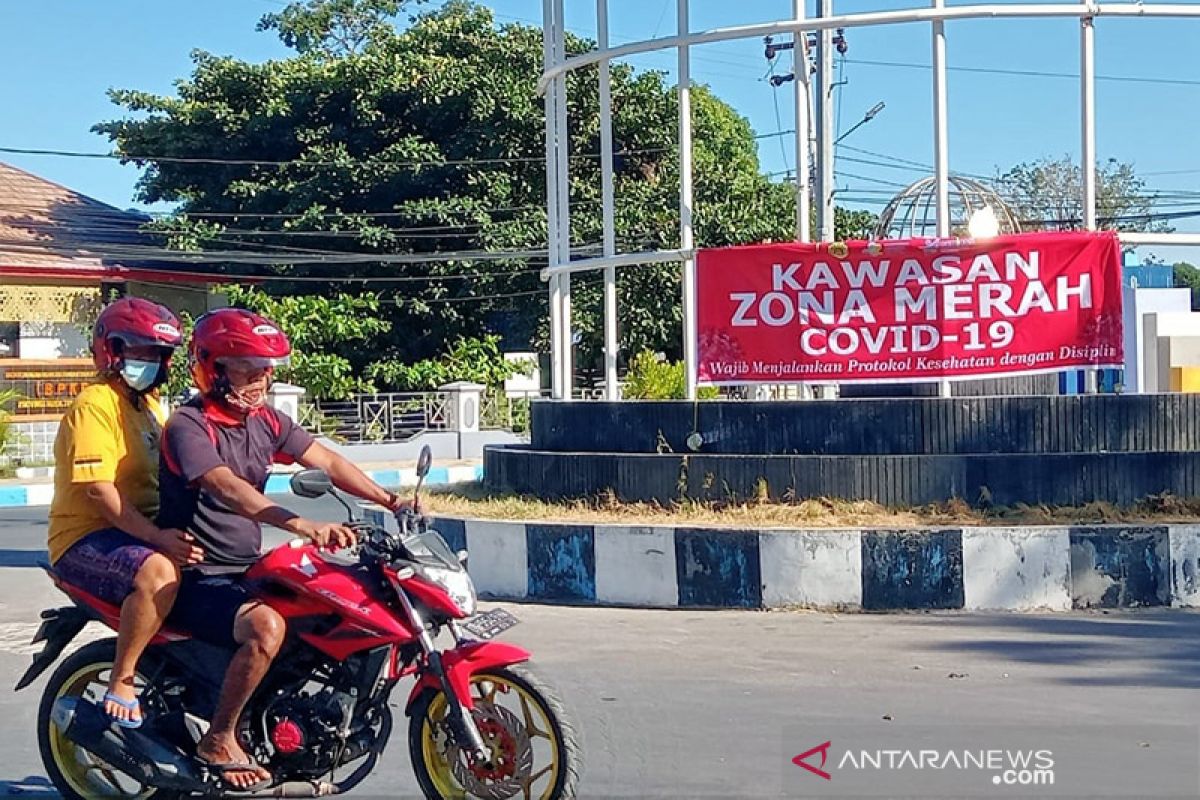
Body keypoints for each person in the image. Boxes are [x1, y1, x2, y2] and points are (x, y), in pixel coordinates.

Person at [157, 307, 412, 789]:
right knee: (266, 626)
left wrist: (388, 499)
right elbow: (224, 485)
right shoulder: (188, 426)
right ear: (212, 369)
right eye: (248, 370)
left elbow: (326, 459)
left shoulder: (266, 421)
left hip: (245, 570)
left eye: (266, 371)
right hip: (196, 576)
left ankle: (289, 718)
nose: (261, 381)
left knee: (327, 599)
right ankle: (219, 737)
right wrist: (297, 522)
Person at [48, 297, 200, 729]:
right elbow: (100, 491)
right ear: (111, 351)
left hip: (141, 530)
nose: (147, 361)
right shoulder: (94, 404)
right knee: (159, 573)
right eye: (138, 351)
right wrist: (157, 538)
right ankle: (122, 679)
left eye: (156, 354)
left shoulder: (150, 407)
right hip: (87, 538)